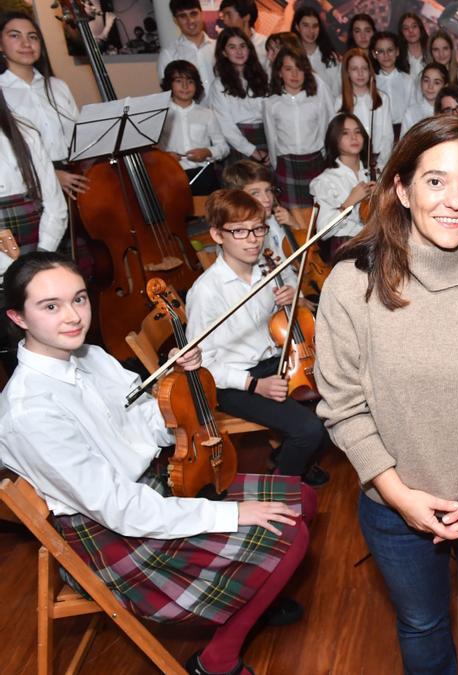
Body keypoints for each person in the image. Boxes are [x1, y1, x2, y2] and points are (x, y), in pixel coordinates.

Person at [0, 251, 314, 675]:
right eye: (50, 306)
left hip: (152, 487)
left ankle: (251, 596)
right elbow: (119, 508)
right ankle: (216, 660)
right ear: (18, 318)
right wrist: (231, 512)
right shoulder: (28, 412)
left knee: (305, 499)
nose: (73, 316)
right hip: (110, 530)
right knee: (291, 534)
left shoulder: (91, 358)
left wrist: (180, 388)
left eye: (79, 299)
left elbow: (150, 424)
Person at [316, 114, 458, 675]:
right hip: (396, 507)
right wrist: (399, 495)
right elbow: (343, 406)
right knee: (422, 624)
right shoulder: (352, 282)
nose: (456, 201)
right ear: (400, 187)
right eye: (436, 181)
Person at [186, 189, 329, 487]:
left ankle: (289, 460)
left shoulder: (265, 270)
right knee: (309, 429)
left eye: (258, 229)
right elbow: (204, 366)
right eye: (239, 231)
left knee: (335, 404)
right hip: (233, 381)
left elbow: (277, 326)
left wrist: (291, 300)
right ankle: (281, 487)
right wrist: (255, 385)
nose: (252, 239)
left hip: (273, 363)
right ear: (217, 235)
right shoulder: (206, 291)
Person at [0, 11, 87, 198]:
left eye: (32, 37)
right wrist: (51, 176)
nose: (26, 43)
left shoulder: (58, 86)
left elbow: (79, 136)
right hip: (29, 187)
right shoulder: (2, 91)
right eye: (15, 35)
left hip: (74, 179)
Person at [0, 88, 67, 274]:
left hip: (36, 250)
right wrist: (10, 268)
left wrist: (42, 255)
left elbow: (55, 204)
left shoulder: (24, 131)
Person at [263, 45, 335, 210]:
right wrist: (277, 165)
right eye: (288, 69)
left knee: (317, 212)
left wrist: (324, 162)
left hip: (315, 162)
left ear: (306, 72)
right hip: (286, 164)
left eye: (299, 69)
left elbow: (326, 132)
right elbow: (271, 139)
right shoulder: (271, 103)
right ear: (279, 73)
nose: (294, 74)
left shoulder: (316, 101)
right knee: (292, 216)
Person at [159, 60, 229, 195]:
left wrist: (208, 152)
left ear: (197, 85)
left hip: (203, 174)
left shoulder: (207, 114)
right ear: (169, 84)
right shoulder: (161, 114)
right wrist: (165, 157)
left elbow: (223, 147)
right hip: (171, 174)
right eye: (179, 81)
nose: (185, 86)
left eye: (190, 81)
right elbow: (149, 151)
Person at [309, 113, 374, 254]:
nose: (354, 137)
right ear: (334, 140)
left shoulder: (375, 172)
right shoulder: (325, 181)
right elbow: (323, 232)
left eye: (358, 132)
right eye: (345, 133)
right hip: (347, 248)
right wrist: (349, 203)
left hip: (377, 243)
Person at [222, 158, 299, 272]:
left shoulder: (275, 220)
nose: (267, 199)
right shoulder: (236, 235)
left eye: (268, 190)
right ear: (238, 197)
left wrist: (294, 225)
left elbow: (300, 256)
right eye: (255, 193)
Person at [211, 27, 271, 163]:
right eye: (232, 47)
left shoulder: (263, 77)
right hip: (238, 143)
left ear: (249, 49)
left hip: (267, 137)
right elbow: (225, 125)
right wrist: (251, 150)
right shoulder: (219, 84)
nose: (239, 51)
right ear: (224, 52)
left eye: (243, 46)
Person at [340, 47, 393, 169]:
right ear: (347, 72)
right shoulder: (339, 102)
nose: (360, 73)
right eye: (354, 69)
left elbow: (387, 137)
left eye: (364, 68)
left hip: (378, 162)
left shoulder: (382, 99)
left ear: (370, 71)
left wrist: (380, 165)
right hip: (352, 163)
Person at [158, 0, 216, 94]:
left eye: (194, 14)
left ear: (201, 14)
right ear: (175, 20)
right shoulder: (168, 55)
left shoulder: (219, 48)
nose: (190, 21)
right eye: (183, 16)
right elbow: (169, 94)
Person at [370, 31, 414, 140]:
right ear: (373, 54)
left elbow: (413, 109)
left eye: (390, 50)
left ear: (397, 51)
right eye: (380, 51)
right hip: (378, 132)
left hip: (403, 131)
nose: (386, 55)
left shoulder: (407, 80)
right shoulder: (371, 81)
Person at [292, 6, 340, 92]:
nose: (311, 31)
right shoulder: (291, 57)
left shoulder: (330, 56)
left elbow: (336, 90)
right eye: (306, 25)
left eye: (315, 26)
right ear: (297, 27)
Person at [219, 0, 268, 66]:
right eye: (223, 16)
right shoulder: (221, 46)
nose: (225, 21)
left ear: (246, 17)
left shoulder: (265, 45)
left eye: (228, 15)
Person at [404, 62, 447, 133]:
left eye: (436, 83)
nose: (430, 86)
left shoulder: (449, 111)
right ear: (421, 82)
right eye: (426, 81)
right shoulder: (411, 113)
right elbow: (404, 141)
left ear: (445, 86)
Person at [427, 30, 458, 94]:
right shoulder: (425, 77)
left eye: (445, 48)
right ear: (431, 53)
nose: (441, 54)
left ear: (451, 50)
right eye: (436, 49)